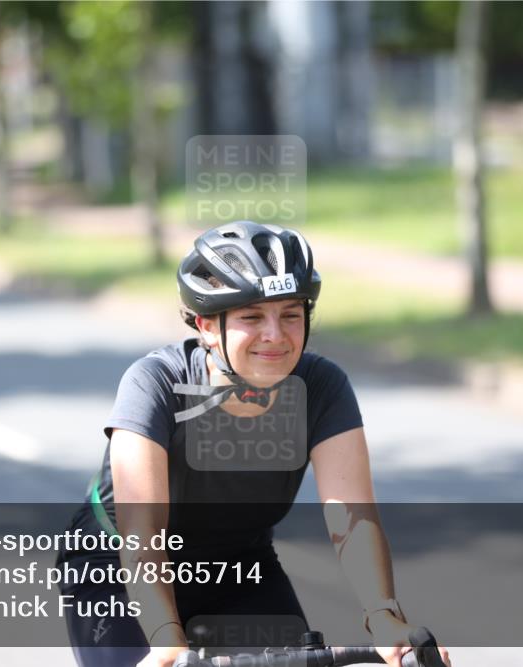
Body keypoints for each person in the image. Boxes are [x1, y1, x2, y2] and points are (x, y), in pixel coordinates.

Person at [56, 221, 451, 667]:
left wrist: (383, 617)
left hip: (240, 566)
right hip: (117, 570)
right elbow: (141, 533)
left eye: (290, 314)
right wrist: (167, 639)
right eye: (251, 317)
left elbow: (352, 518)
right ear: (206, 325)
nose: (275, 335)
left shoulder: (321, 386)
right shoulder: (156, 383)